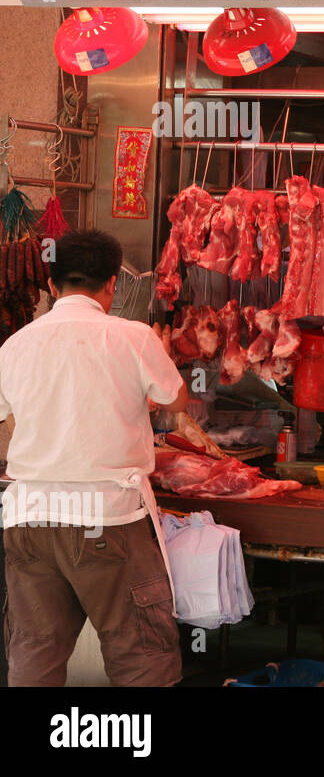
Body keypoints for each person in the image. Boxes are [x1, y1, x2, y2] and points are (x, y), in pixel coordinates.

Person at [0, 230, 190, 686]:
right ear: (111, 285)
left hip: (27, 520)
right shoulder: (133, 336)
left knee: (34, 650)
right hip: (107, 519)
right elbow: (177, 400)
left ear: (51, 285)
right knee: (140, 652)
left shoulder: (14, 346)